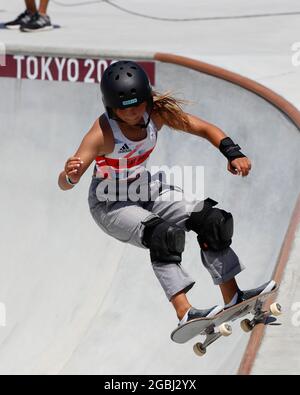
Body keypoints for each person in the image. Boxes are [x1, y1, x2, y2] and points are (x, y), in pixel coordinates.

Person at [58, 61, 276, 327]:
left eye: (139, 106)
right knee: (163, 236)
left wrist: (233, 153)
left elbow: (205, 129)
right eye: (125, 110)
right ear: (111, 108)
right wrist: (70, 174)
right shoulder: (101, 134)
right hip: (110, 203)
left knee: (210, 220)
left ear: (148, 101)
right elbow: (65, 184)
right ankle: (185, 312)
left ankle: (232, 297)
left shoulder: (157, 114)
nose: (134, 114)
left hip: (145, 187)